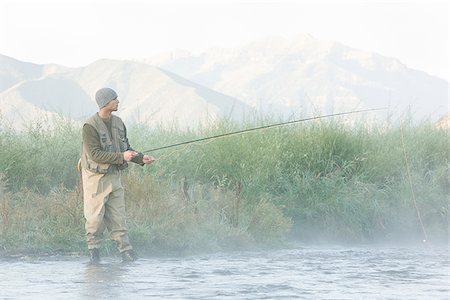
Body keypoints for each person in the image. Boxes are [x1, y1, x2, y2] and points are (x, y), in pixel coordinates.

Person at [80, 87, 156, 263]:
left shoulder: (119, 122)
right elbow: (95, 155)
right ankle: (94, 253)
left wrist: (141, 158)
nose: (118, 101)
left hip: (115, 176)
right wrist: (122, 156)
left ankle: (126, 252)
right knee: (95, 218)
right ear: (105, 102)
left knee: (119, 216)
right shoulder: (89, 126)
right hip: (95, 179)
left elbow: (126, 147)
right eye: (115, 99)